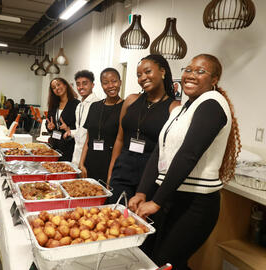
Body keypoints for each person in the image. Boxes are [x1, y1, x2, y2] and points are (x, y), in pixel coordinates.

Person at [129, 54, 241, 269]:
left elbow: (188, 154)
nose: (191, 75)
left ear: (214, 79)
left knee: (167, 262)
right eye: (188, 70)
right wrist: (143, 192)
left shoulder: (212, 103)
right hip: (173, 197)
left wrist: (156, 201)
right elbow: (158, 153)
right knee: (160, 260)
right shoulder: (181, 109)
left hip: (195, 204)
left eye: (201, 71)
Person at [107, 54, 179, 203]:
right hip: (123, 169)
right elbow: (120, 139)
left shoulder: (174, 107)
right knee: (114, 215)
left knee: (140, 222)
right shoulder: (131, 100)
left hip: (150, 173)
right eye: (139, 75)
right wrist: (111, 171)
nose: (143, 78)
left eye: (148, 72)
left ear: (163, 72)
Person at [78, 68, 124, 182]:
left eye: (114, 81)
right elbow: (88, 138)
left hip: (111, 165)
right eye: (105, 83)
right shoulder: (94, 106)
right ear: (101, 85)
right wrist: (81, 163)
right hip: (90, 162)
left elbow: (122, 141)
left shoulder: (125, 108)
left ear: (120, 82)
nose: (110, 86)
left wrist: (111, 173)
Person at [61, 70, 99, 165]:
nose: (81, 87)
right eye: (78, 84)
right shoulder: (79, 105)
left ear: (92, 85)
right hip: (77, 151)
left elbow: (91, 132)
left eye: (85, 83)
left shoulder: (97, 104)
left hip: (89, 154)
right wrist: (70, 132)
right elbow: (81, 130)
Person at [45, 78, 79, 161]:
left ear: (65, 85)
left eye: (58, 85)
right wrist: (49, 126)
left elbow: (80, 126)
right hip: (54, 145)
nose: (57, 88)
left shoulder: (76, 104)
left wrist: (68, 128)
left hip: (68, 145)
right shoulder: (53, 105)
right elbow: (48, 121)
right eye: (53, 87)